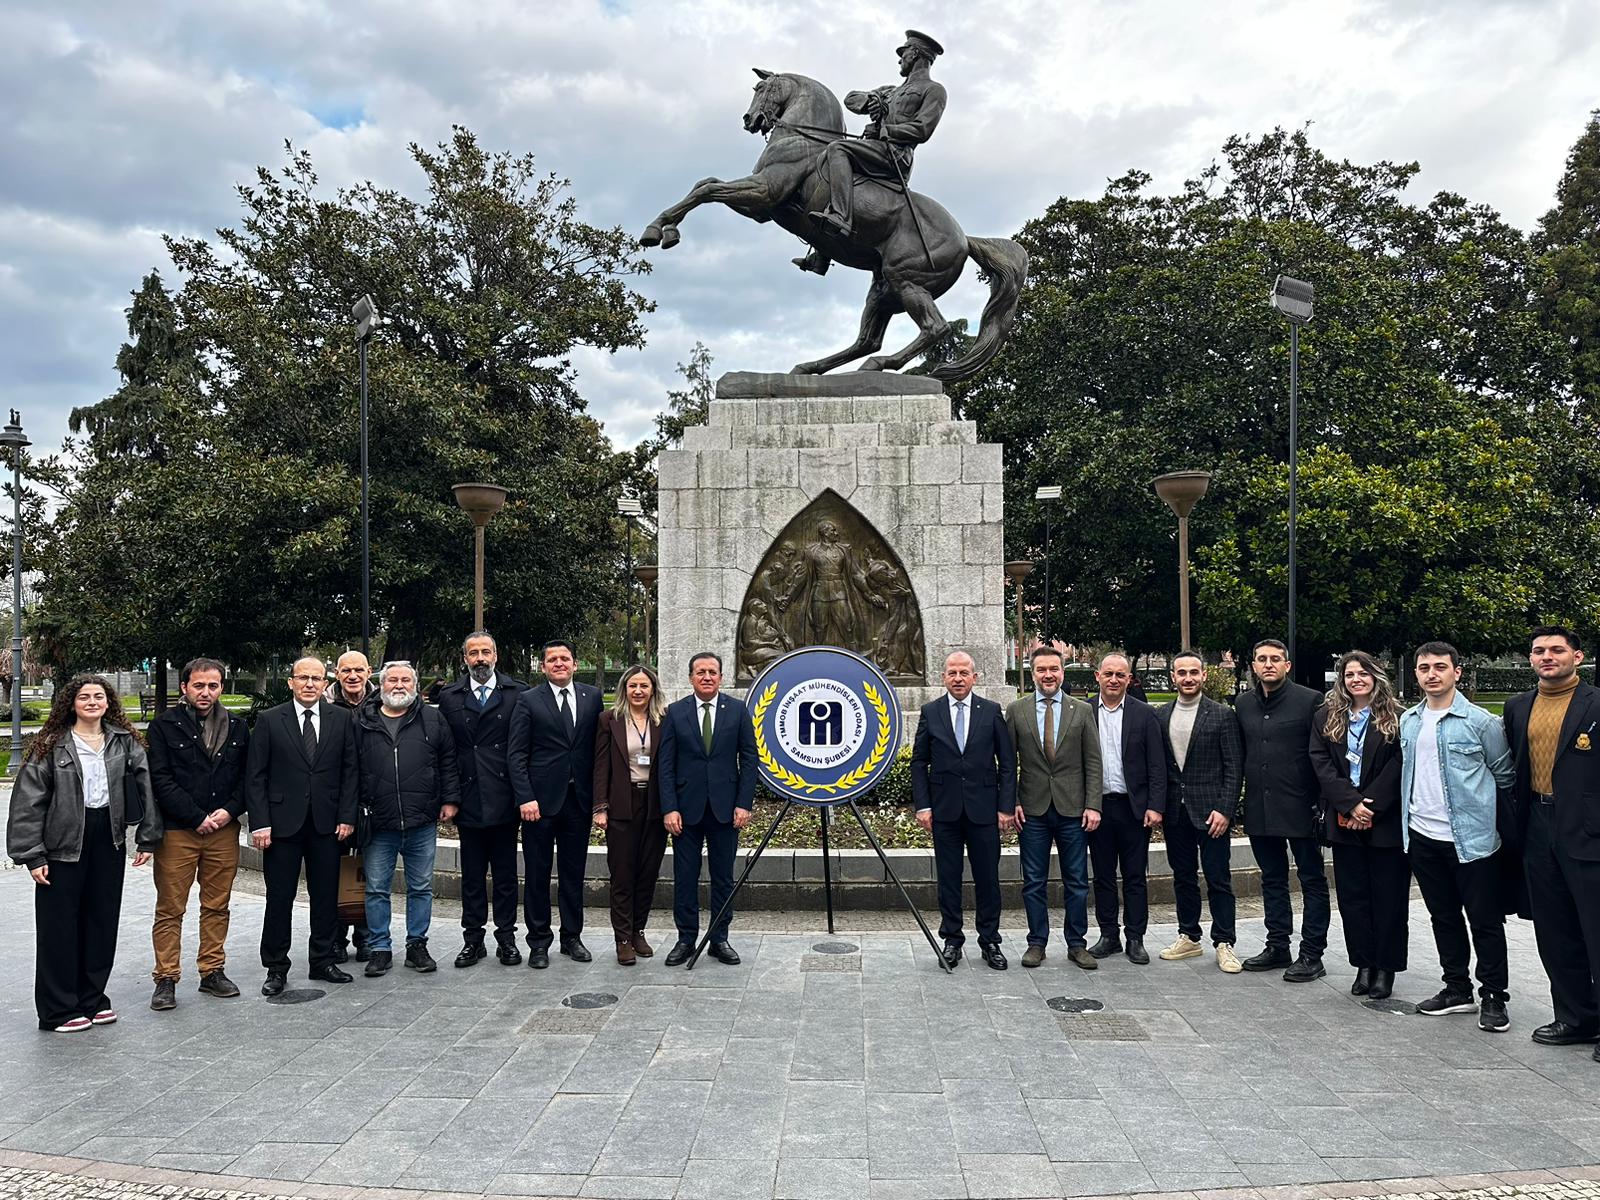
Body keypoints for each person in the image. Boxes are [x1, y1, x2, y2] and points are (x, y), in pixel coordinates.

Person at [8, 675, 162, 1031]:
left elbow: (145, 787)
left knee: (100, 922)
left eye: (99, 696)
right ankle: (58, 1009)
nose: (92, 702)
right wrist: (32, 854)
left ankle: (92, 999)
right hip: (61, 845)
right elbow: (28, 803)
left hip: (107, 838)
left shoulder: (124, 742)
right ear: (71, 703)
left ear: (109, 702)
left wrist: (148, 838)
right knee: (59, 928)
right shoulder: (50, 745)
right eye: (84, 697)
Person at [1400, 641, 1516, 1031]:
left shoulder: (1481, 722)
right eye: (1423, 668)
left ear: (1457, 672)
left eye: (1439, 667)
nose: (1431, 674)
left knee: (1484, 920)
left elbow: (1504, 777)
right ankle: (1456, 988)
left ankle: (1494, 996)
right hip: (1422, 836)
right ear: (1416, 674)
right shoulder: (1409, 721)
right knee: (1443, 917)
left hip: (1473, 841)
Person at [1504, 625, 1600, 1053]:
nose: (1547, 656)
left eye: (1557, 650)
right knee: (1555, 930)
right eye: (1539, 650)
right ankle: (1576, 1018)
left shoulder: (1596, 703)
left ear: (1576, 657)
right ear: (1530, 660)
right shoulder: (1517, 706)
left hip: (1588, 829)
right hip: (1537, 828)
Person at [245, 656, 358, 995]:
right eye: (303, 677)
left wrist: (347, 816)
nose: (310, 684)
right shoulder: (269, 720)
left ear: (326, 683)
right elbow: (255, 776)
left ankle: (322, 960)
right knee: (280, 898)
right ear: (291, 681)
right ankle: (276, 967)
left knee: (325, 896)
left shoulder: (342, 719)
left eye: (317, 678)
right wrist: (260, 823)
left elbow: (351, 770)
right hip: (281, 827)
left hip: (327, 824)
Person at [146, 656, 251, 1010]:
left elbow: (247, 778)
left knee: (217, 905)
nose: (206, 692)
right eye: (199, 685)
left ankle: (212, 971)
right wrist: (195, 817)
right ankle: (165, 977)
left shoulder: (237, 727)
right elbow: (159, 779)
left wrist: (229, 811)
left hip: (223, 830)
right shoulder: (164, 727)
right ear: (185, 688)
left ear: (221, 687)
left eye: (213, 685)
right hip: (179, 831)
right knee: (170, 907)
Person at [1308, 650, 1407, 1000]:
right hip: (1343, 819)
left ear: (1376, 676)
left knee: (1389, 899)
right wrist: (1349, 804)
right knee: (1353, 899)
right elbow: (1319, 762)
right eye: (1349, 674)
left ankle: (1386, 968)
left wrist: (1370, 806)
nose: (1356, 679)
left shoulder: (1397, 717)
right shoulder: (1327, 717)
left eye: (1363, 673)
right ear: (1342, 680)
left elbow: (1399, 764)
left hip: (1384, 822)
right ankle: (1363, 964)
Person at [352, 661, 460, 976]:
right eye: (392, 680)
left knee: (421, 886)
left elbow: (448, 761)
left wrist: (450, 800)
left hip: (422, 818)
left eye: (405, 680)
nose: (398, 685)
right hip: (379, 821)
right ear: (381, 685)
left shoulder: (432, 718)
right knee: (375, 888)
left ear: (415, 685)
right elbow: (350, 767)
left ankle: (417, 945)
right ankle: (380, 948)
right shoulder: (362, 720)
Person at [912, 650, 1017, 969]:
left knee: (988, 879)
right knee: (948, 878)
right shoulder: (931, 711)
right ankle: (952, 940)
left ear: (975, 677)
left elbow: (1008, 764)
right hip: (944, 812)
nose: (958, 678)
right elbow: (919, 762)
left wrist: (1005, 807)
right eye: (952, 673)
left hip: (984, 811)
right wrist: (923, 805)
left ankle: (990, 941)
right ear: (943, 677)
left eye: (964, 673)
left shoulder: (991, 711)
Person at [1236, 638, 1329, 980]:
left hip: (1301, 808)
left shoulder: (1310, 701)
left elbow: (1322, 755)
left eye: (1276, 659)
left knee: (1312, 881)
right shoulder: (1243, 703)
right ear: (1255, 665)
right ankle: (1278, 945)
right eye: (1262, 659)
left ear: (1287, 665)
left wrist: (1321, 805)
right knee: (1272, 879)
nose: (1269, 664)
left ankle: (1312, 954)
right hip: (1261, 807)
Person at [807, 30, 947, 255]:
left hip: (896, 155)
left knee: (838, 149)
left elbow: (923, 129)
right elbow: (850, 99)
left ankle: (840, 217)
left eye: (904, 52)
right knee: (837, 172)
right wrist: (871, 100)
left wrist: (885, 130)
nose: (900, 58)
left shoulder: (933, 90)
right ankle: (823, 254)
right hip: (875, 150)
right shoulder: (890, 91)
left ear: (916, 54)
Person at [1005, 645, 1102, 969]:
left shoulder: (1081, 710)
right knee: (1033, 881)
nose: (1048, 675)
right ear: (1033, 673)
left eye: (1054, 669)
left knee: (1076, 880)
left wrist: (1093, 805)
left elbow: (1093, 761)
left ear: (1063, 672)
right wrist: (1013, 801)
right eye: (1041, 669)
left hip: (1073, 809)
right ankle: (1037, 943)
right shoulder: (1016, 711)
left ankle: (1077, 944)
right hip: (1032, 810)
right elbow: (1007, 764)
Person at [435, 631, 528, 967]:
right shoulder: (449, 697)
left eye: (485, 652)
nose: (480, 659)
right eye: (473, 653)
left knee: (505, 876)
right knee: (472, 877)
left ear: (496, 655)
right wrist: (449, 797)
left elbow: (523, 750)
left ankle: (507, 939)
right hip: (469, 796)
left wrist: (523, 795)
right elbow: (445, 752)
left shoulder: (518, 694)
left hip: (504, 797)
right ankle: (473, 940)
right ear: (465, 659)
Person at [508, 639, 602, 969]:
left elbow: (597, 752)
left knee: (573, 874)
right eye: (552, 659)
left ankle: (571, 938)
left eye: (565, 658)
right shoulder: (528, 700)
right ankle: (538, 942)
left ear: (575, 664)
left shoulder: (592, 698)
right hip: (539, 804)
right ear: (543, 666)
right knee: (537, 874)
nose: (559, 663)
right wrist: (525, 797)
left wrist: (599, 801)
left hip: (578, 802)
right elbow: (516, 754)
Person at [659, 652, 758, 965]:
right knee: (685, 878)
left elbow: (750, 760)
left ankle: (719, 939)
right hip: (685, 812)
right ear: (690, 678)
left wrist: (744, 804)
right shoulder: (674, 713)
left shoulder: (738, 711)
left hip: (726, 811)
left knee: (723, 878)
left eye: (712, 672)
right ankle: (686, 940)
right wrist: (669, 808)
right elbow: (665, 765)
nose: (706, 677)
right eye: (700, 672)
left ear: (721, 677)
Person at [1156, 651, 1244, 974]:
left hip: (1212, 815)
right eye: (1182, 673)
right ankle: (1189, 935)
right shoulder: (1161, 715)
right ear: (1173, 677)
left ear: (1204, 676)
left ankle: (1224, 942)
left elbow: (1234, 768)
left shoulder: (1222, 715)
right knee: (1183, 877)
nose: (1188, 678)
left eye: (1194, 672)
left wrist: (1225, 810)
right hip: (1175, 813)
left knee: (1219, 878)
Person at [1086, 652, 1166, 965]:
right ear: (1098, 676)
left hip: (1134, 809)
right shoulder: (1083, 711)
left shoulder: (1145, 714)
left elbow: (1156, 765)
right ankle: (1109, 935)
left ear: (1129, 679)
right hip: (1097, 808)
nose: (1115, 680)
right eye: (1109, 674)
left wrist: (1155, 806)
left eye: (1121, 675)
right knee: (1103, 876)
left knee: (1135, 876)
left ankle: (1135, 937)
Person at [593, 664, 670, 965]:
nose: (638, 691)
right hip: (622, 805)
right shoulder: (609, 720)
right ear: (624, 689)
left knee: (647, 873)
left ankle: (639, 930)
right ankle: (622, 938)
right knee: (622, 874)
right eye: (633, 686)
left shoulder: (664, 720)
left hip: (654, 805)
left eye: (644, 686)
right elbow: (601, 766)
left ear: (653, 690)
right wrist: (600, 806)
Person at [327, 649, 374, 964]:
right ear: (337, 674)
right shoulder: (324, 704)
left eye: (359, 670)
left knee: (369, 873)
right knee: (332, 874)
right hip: (333, 802)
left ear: (369, 672)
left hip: (373, 800)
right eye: (346, 671)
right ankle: (335, 939)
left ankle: (366, 938)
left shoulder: (383, 703)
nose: (353, 676)